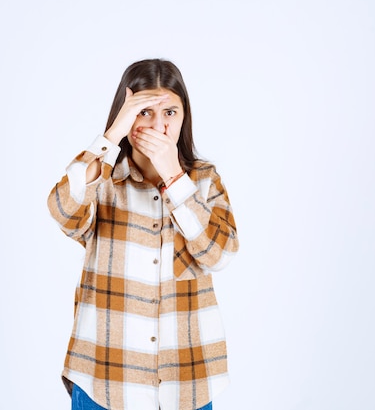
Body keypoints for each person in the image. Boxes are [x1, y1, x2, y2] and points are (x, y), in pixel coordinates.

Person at [47, 59, 239, 410]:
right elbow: (63, 209)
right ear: (126, 118)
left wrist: (173, 176)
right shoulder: (102, 180)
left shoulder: (204, 180)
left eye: (170, 112)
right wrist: (109, 138)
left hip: (186, 385)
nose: (159, 125)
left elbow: (220, 254)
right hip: (103, 380)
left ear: (184, 117)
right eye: (144, 112)